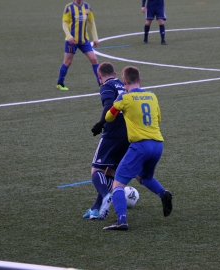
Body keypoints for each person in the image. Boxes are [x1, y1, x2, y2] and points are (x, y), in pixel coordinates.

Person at [102, 66, 173, 230]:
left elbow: (109, 117)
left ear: (124, 82)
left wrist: (120, 103)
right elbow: (159, 118)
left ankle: (121, 221)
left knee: (118, 184)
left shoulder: (124, 98)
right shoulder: (152, 96)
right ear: (140, 80)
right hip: (157, 144)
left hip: (140, 145)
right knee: (144, 177)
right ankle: (163, 193)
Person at [83, 62, 129, 220]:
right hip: (129, 132)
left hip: (113, 132)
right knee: (111, 171)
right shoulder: (124, 85)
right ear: (115, 74)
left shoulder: (106, 86)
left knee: (96, 169)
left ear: (99, 76)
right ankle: (96, 209)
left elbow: (109, 105)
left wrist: (101, 123)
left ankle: (105, 196)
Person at [56, 0, 100, 91]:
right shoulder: (69, 7)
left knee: (94, 59)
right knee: (68, 62)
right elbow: (64, 24)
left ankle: (101, 83)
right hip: (71, 41)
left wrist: (95, 38)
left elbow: (91, 23)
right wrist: (69, 36)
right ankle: (60, 84)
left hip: (84, 40)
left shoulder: (87, 7)